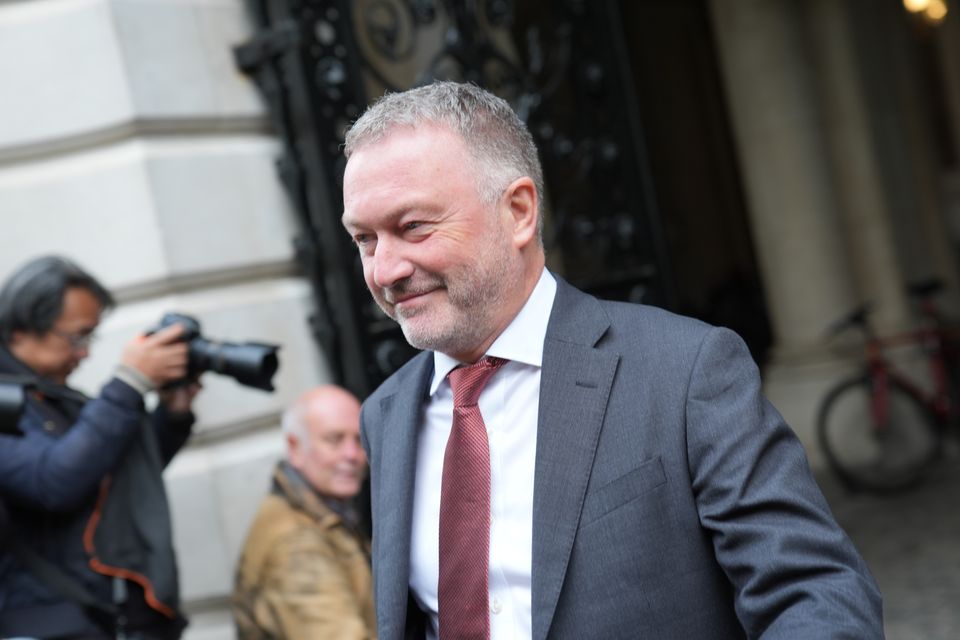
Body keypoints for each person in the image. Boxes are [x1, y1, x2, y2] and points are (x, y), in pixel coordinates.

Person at [340, 81, 884, 639]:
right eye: (364, 239)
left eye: (413, 228)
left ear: (519, 212)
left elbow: (815, 594)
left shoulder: (684, 370)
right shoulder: (386, 416)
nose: (384, 270)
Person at [0, 255, 200, 639]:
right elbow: (53, 482)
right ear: (23, 328)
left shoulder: (46, 394)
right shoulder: (9, 402)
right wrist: (128, 382)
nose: (85, 353)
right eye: (77, 337)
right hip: (48, 622)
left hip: (105, 617)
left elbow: (110, 476)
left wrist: (173, 415)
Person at [232, 385, 376, 639]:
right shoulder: (296, 542)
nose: (352, 454)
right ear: (295, 448)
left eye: (358, 440)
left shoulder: (320, 513)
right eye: (334, 439)